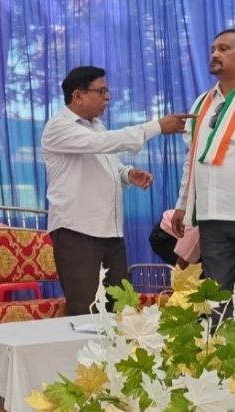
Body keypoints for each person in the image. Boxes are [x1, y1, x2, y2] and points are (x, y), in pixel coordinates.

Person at [42, 65, 190, 316]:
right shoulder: (58, 127)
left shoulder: (96, 125)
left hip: (110, 231)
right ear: (78, 96)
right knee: (86, 311)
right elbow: (102, 143)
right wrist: (156, 126)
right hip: (77, 231)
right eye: (101, 91)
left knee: (122, 309)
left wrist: (127, 174)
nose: (108, 97)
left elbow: (106, 160)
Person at [172, 29, 235, 298]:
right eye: (212, 50)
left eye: (224, 49)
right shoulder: (201, 102)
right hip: (212, 215)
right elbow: (192, 159)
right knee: (218, 295)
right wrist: (182, 204)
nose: (215, 54)